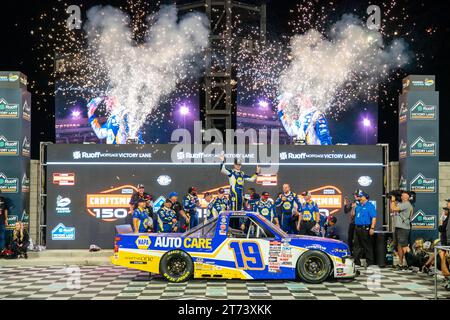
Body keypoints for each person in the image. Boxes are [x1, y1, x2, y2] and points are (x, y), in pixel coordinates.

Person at [390, 191, 413, 270]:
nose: (401, 195)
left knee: (404, 246)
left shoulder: (406, 204)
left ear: (407, 197)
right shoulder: (402, 204)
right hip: (399, 227)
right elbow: (392, 210)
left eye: (403, 195)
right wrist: (393, 202)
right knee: (400, 246)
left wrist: (392, 200)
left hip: (403, 228)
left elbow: (393, 208)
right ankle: (401, 263)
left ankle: (410, 263)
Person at [352, 191, 377, 267]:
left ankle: (370, 263)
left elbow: (374, 217)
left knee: (367, 245)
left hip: (365, 228)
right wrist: (353, 208)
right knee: (356, 245)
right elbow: (353, 215)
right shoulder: (358, 205)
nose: (359, 198)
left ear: (365, 197)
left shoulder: (370, 206)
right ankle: (356, 262)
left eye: (361, 197)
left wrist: (372, 228)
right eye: (359, 197)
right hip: (357, 228)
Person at [343, 190, 362, 255]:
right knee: (350, 238)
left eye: (356, 195)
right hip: (352, 223)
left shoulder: (362, 203)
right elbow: (346, 211)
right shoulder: (353, 203)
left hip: (359, 224)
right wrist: (345, 202)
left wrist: (356, 207)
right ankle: (350, 252)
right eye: (354, 195)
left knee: (357, 240)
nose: (354, 196)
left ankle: (358, 254)